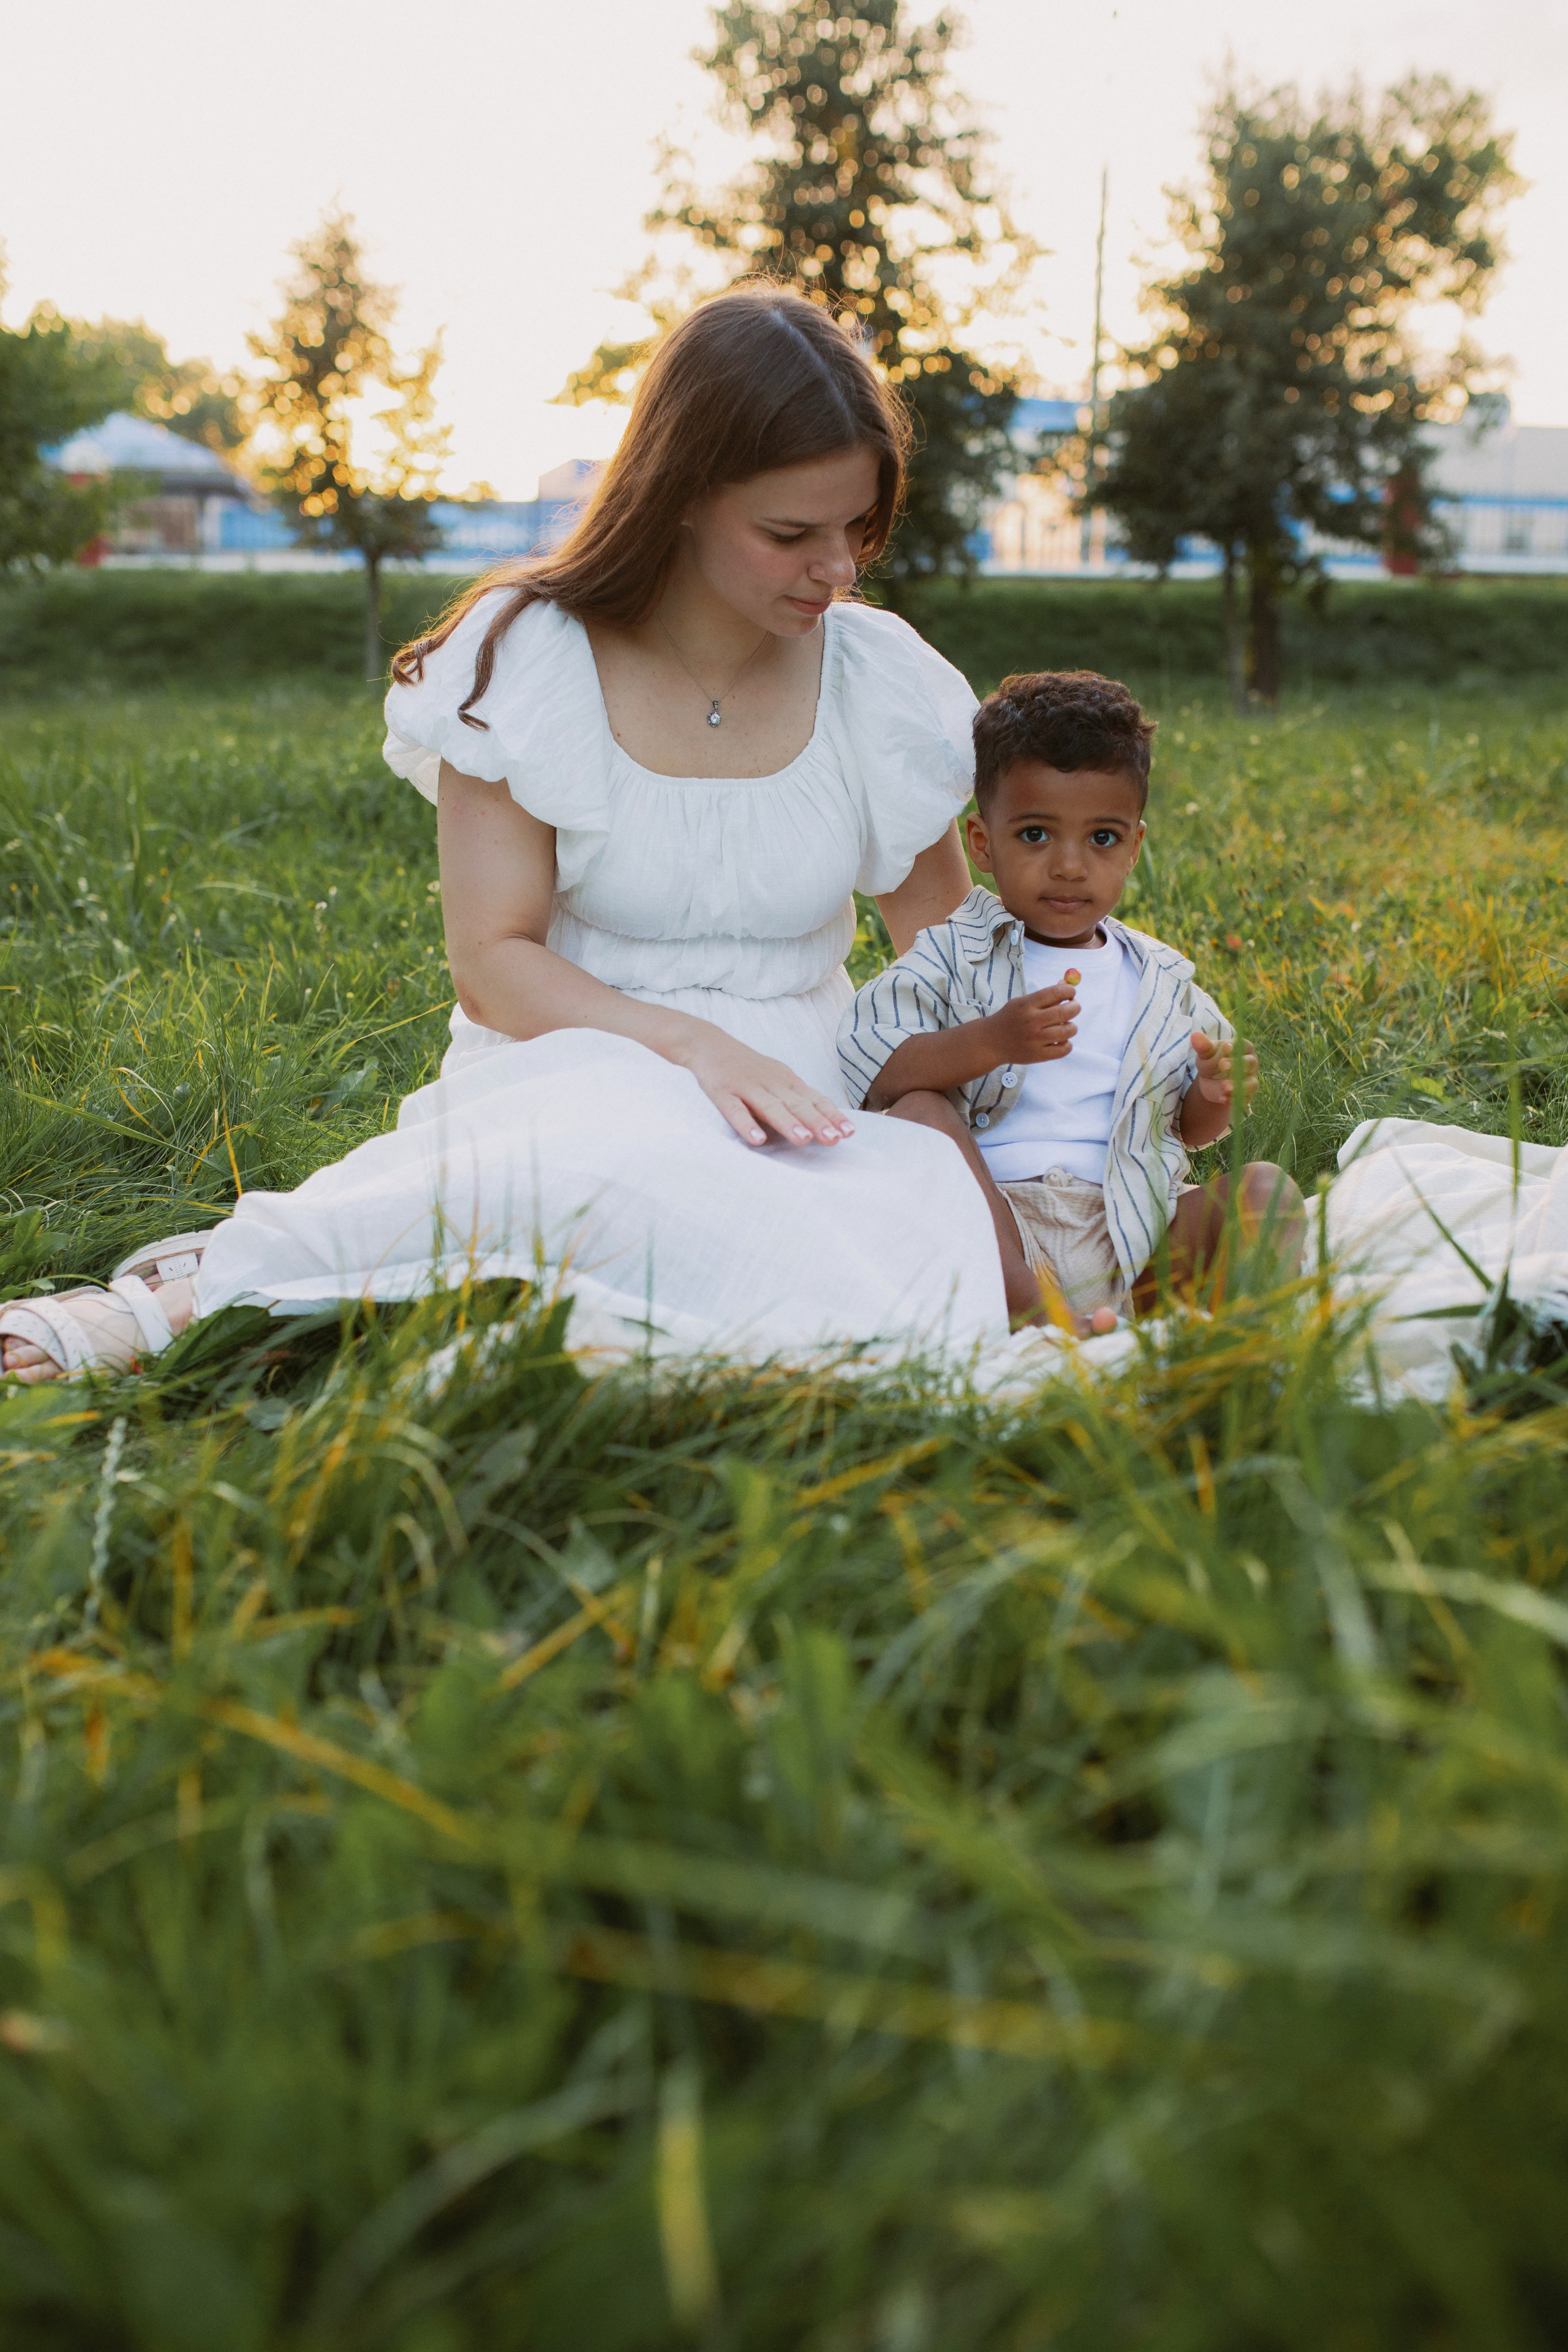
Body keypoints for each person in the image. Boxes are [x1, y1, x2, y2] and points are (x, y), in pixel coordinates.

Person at [0, 284, 1012, 1384]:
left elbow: (949, 956)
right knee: (600, 1168)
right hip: (572, 1061)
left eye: (856, 528)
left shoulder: (880, 680)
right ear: (680, 495)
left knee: (864, 1276)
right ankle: (190, 1300)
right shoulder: (527, 659)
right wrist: (691, 1048)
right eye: (790, 534)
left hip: (799, 1087)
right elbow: (495, 966)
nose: (839, 569)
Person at [837, 670, 1305, 1326]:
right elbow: (873, 1066)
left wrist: (1214, 1096)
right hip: (996, 1226)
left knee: (1265, 1191)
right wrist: (990, 1042)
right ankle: (1037, 1318)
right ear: (982, 843)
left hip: (1134, 1234)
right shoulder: (953, 954)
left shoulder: (1160, 980)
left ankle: (1236, 1348)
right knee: (919, 1114)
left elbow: (1191, 1132)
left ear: (1134, 846)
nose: (1068, 866)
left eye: (1101, 839)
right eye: (1034, 835)